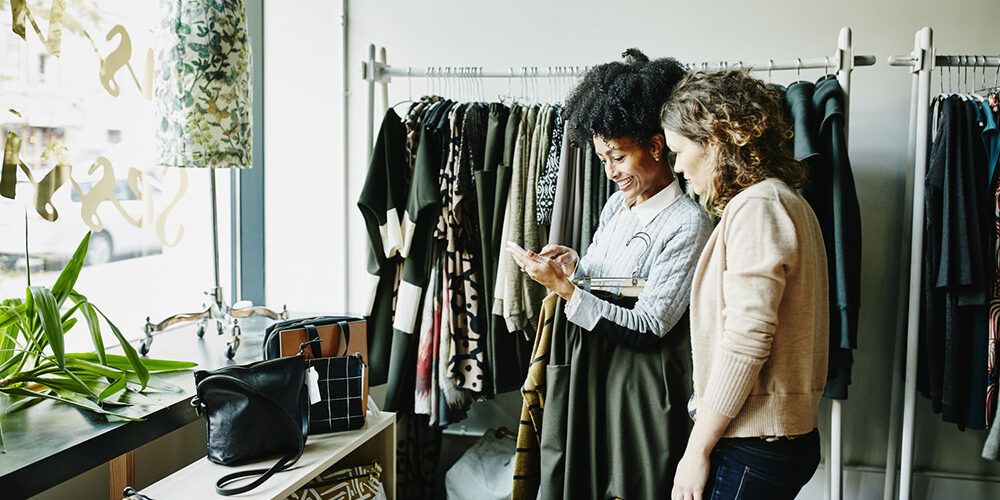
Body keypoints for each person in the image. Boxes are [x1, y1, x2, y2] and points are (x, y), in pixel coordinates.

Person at [509, 49, 714, 498]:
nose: (609, 171)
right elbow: (615, 282)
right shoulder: (616, 207)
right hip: (594, 370)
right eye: (603, 159)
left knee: (630, 485)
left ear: (657, 147)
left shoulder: (688, 224)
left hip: (640, 386)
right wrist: (577, 269)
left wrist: (566, 291)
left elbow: (651, 325)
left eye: (617, 157)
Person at [661, 69, 829, 500]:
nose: (677, 166)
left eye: (679, 150)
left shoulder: (758, 207)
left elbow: (747, 337)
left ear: (715, 140)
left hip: (754, 443)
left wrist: (695, 449)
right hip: (776, 439)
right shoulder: (784, 200)